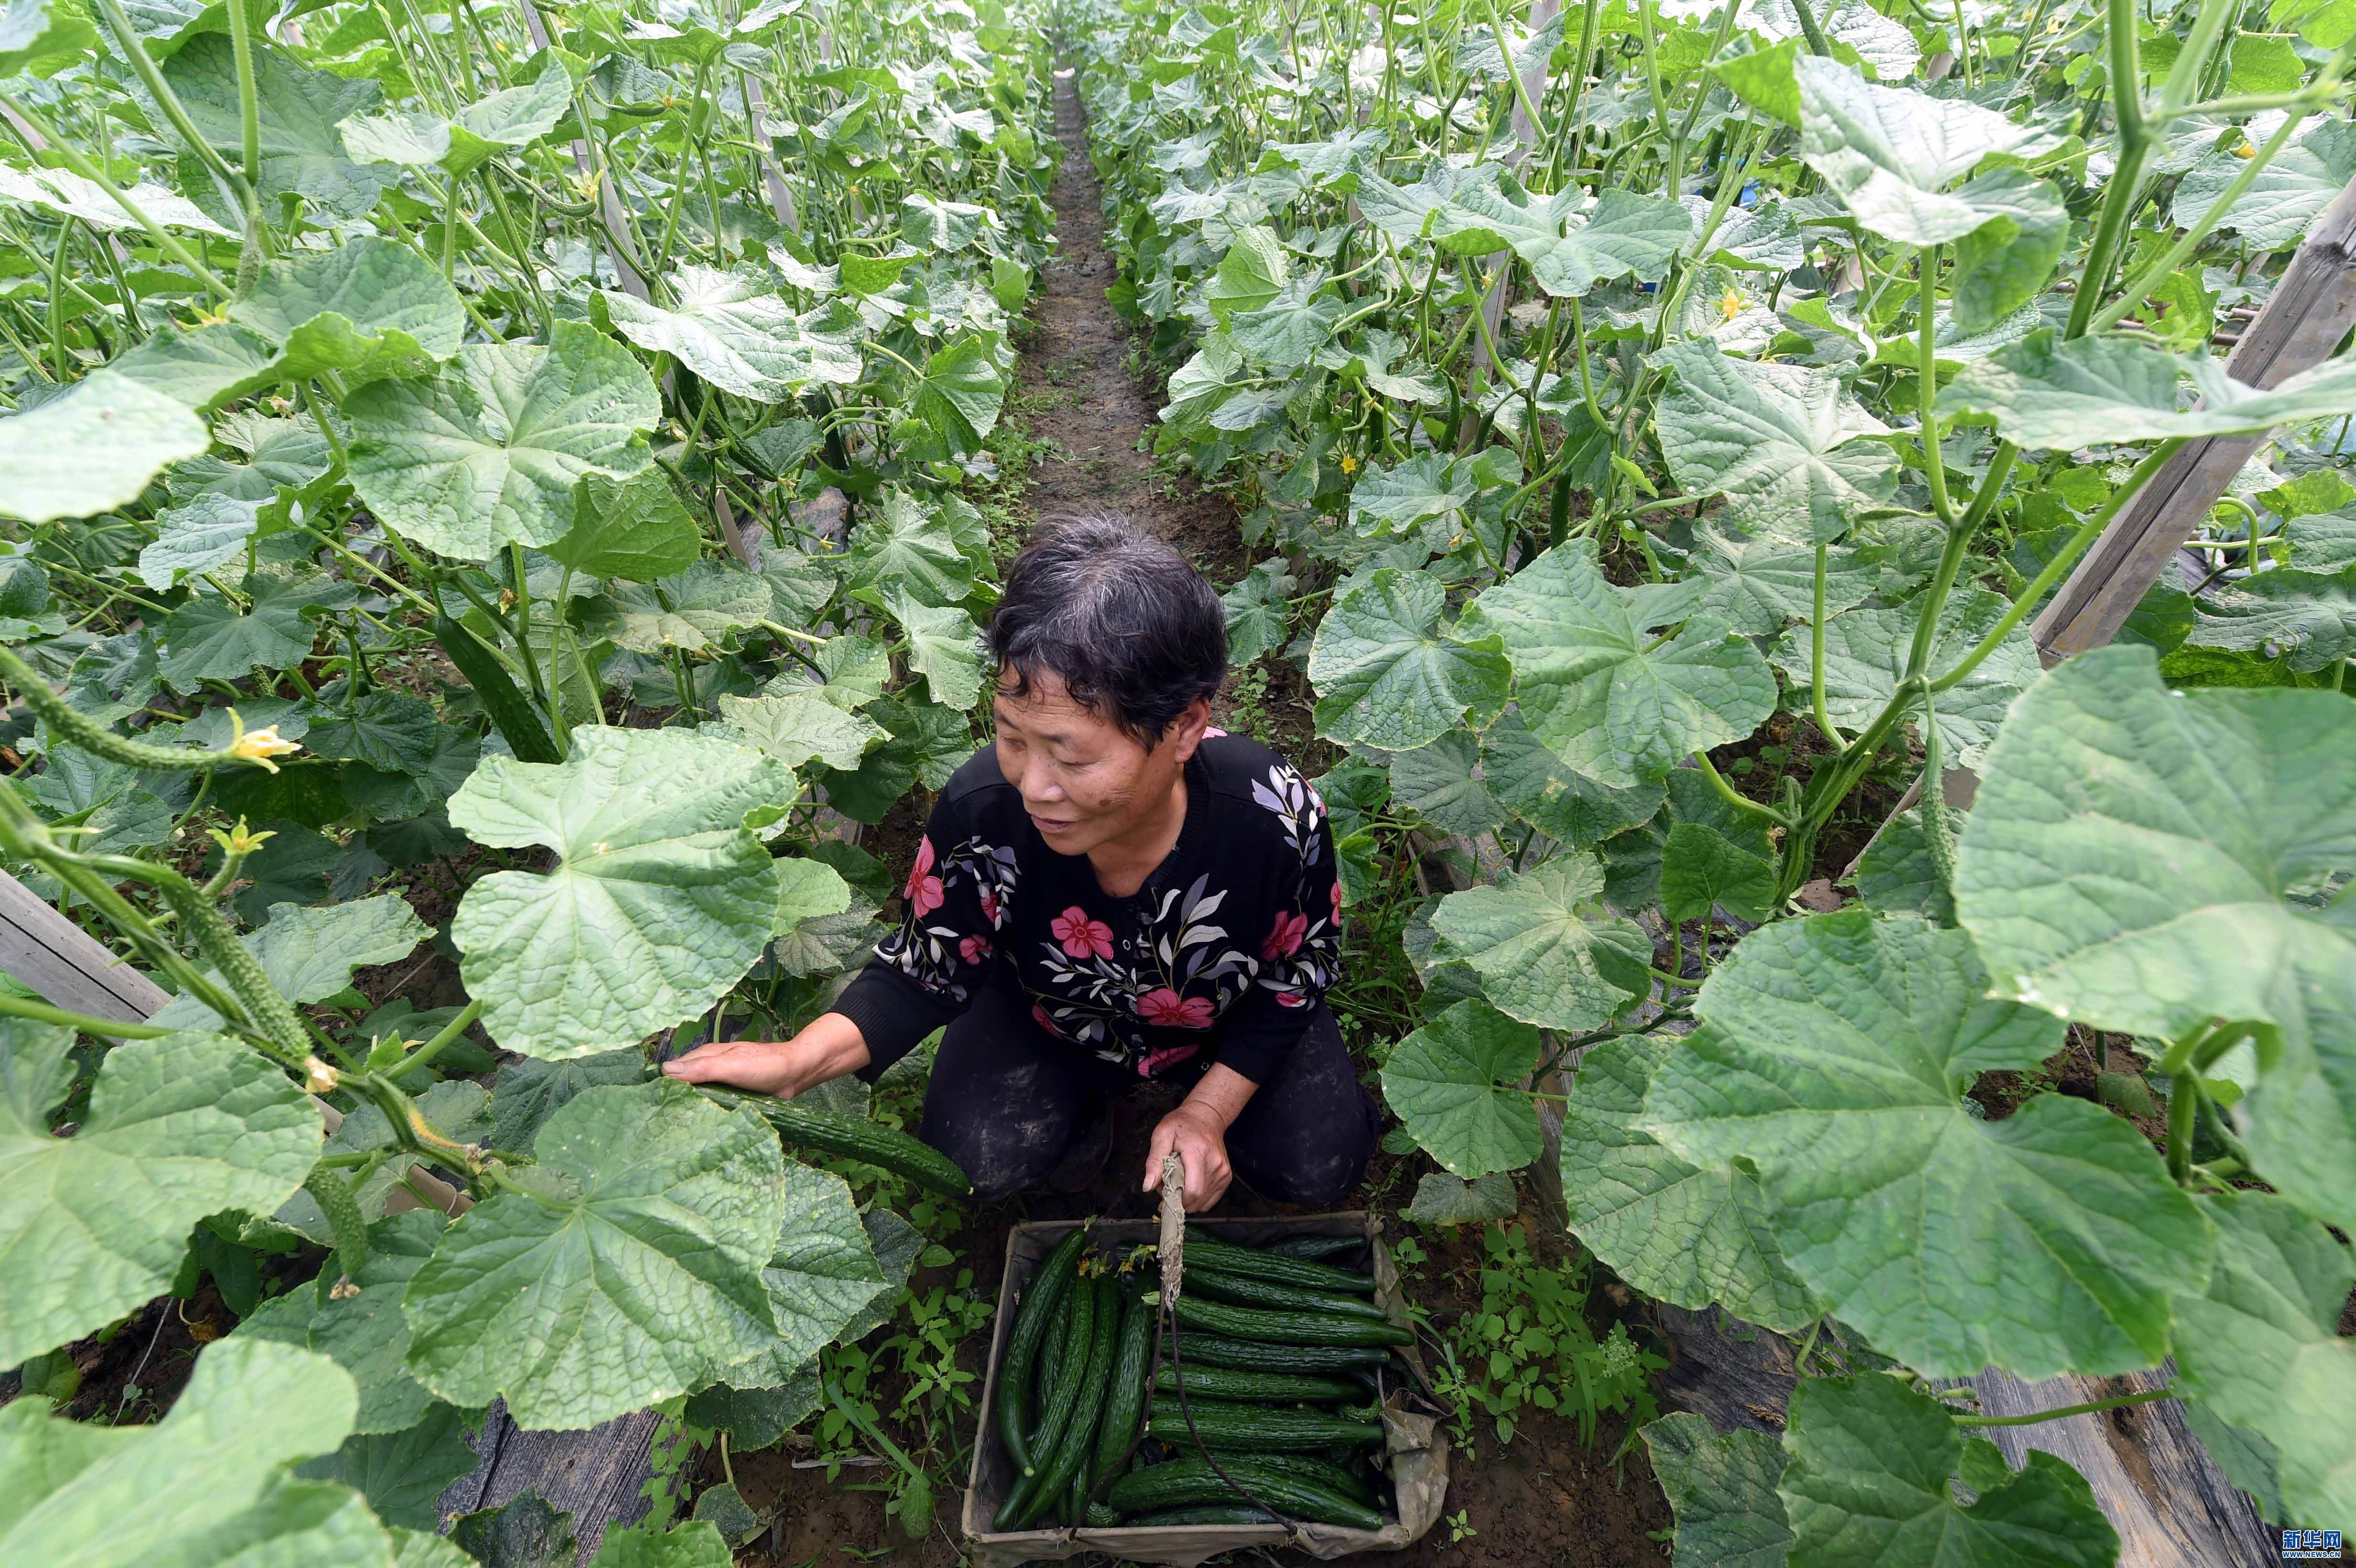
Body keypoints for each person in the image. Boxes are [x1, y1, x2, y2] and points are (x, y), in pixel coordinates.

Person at [664, 514, 1377, 1211]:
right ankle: (1085, 1118)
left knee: (1315, 1168)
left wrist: (1210, 1110)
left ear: (1186, 726)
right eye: (1012, 736)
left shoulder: (1274, 815)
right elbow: (924, 968)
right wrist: (799, 1061)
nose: (1034, 786)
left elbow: (1296, 973)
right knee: (973, 1160)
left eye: (1071, 755)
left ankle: (1205, 1108)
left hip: (1223, 1022)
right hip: (1053, 1018)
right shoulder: (983, 810)